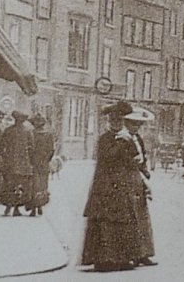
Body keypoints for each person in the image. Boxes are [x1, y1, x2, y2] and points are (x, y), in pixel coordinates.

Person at [81, 101, 145, 272]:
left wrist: (137, 160)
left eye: (119, 121)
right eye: (114, 121)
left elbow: (132, 158)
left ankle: (122, 258)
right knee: (106, 223)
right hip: (105, 186)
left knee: (122, 221)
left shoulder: (126, 138)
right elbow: (108, 158)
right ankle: (104, 259)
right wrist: (121, 143)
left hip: (121, 185)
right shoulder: (105, 139)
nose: (117, 124)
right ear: (110, 122)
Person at [123, 107, 157, 267]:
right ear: (127, 123)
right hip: (128, 179)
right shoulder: (123, 139)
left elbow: (143, 158)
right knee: (132, 216)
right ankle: (133, 253)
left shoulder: (138, 139)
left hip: (138, 179)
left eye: (139, 125)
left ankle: (144, 253)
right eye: (134, 124)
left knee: (142, 217)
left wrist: (145, 172)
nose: (136, 127)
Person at [0, 110, 33, 217]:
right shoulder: (28, 131)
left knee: (9, 184)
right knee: (21, 185)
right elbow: (31, 148)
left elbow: (1, 146)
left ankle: (8, 206)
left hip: (9, 164)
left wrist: (5, 156)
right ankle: (17, 208)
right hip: (23, 165)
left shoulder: (8, 130)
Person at [26, 114, 54, 217]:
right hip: (44, 163)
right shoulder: (49, 135)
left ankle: (33, 208)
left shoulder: (31, 134)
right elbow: (51, 150)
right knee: (43, 185)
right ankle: (40, 205)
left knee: (34, 185)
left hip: (33, 162)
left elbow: (29, 149)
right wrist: (46, 160)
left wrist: (31, 160)